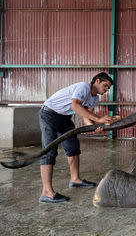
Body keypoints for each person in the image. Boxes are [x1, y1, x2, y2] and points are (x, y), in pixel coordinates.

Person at [38, 72, 114, 203]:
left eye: (108, 88)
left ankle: (75, 180)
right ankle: (46, 192)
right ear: (97, 81)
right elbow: (75, 106)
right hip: (49, 114)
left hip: (64, 117)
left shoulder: (94, 98)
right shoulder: (84, 87)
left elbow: (87, 118)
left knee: (73, 147)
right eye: (105, 85)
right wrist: (99, 119)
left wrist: (93, 127)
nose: (106, 89)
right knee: (49, 151)